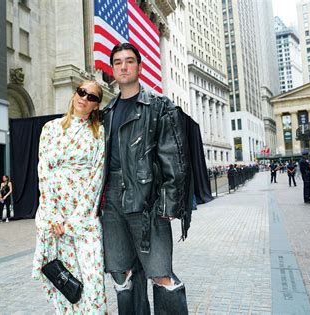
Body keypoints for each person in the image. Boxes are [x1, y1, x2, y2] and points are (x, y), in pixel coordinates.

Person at [99, 43, 192, 314]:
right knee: (121, 273)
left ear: (139, 66)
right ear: (112, 69)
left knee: (160, 274)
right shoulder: (106, 113)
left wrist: (170, 203)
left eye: (129, 61)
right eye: (118, 62)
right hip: (112, 201)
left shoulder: (159, 106)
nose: (124, 66)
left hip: (147, 200)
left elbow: (174, 158)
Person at [32, 80, 107, 314]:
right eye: (81, 92)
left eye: (91, 97)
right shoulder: (50, 128)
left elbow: (97, 177)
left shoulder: (98, 133)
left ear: (96, 105)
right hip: (55, 217)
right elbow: (43, 172)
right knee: (66, 283)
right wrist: (53, 217)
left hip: (83, 219)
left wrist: (74, 221)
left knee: (92, 279)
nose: (83, 98)